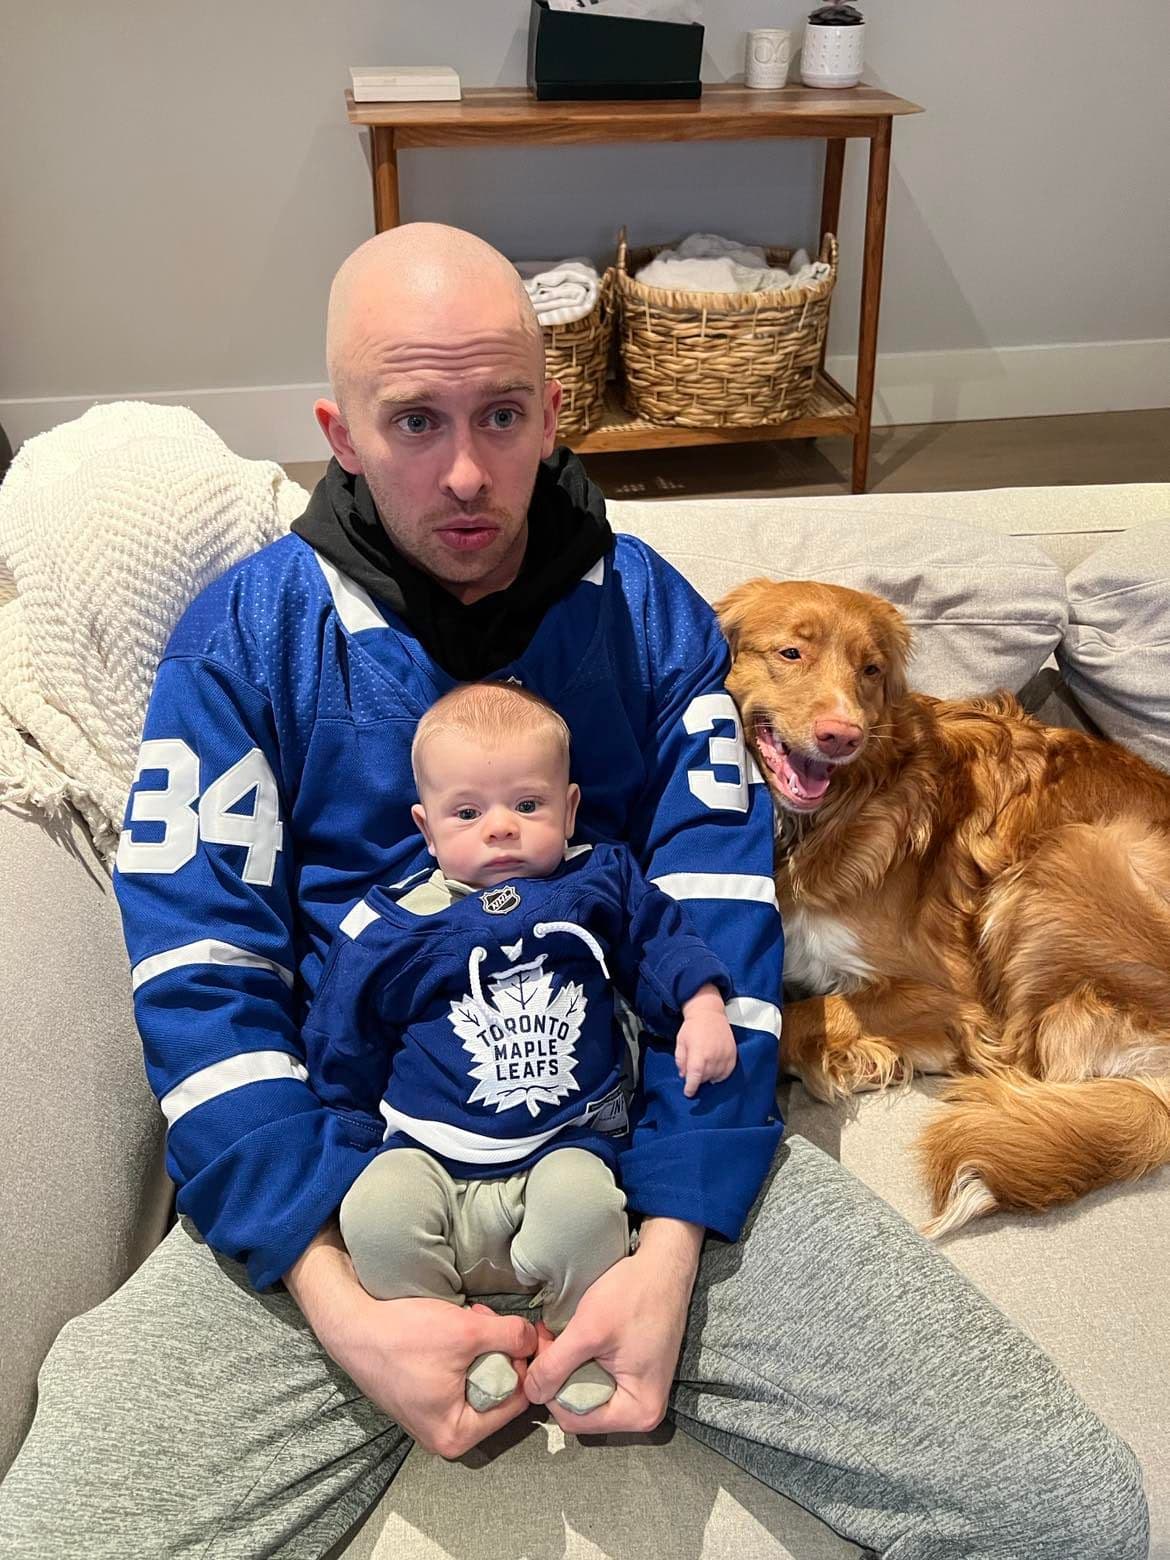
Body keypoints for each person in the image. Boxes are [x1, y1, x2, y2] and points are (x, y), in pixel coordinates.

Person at [0, 223, 1148, 1559]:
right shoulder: (246, 641)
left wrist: (667, 1248)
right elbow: (200, 982)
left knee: (1068, 1513)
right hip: (349, 1175)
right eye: (414, 421)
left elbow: (716, 927)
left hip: (631, 1149)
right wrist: (336, 1299)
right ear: (342, 431)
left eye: (501, 413)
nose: (470, 471)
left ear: (554, 414)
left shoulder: (653, 622)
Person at [311, 680, 739, 1417]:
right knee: (373, 1215)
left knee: (583, 1213)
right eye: (469, 813)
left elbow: (661, 938)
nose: (501, 828)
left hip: (565, 1147)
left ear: (570, 809)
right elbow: (340, 1036)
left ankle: (578, 1333)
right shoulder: (390, 926)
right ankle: (459, 1338)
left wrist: (702, 1004)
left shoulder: (599, 880)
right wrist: (346, 1138)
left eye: (528, 806)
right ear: (427, 826)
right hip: (428, 1157)